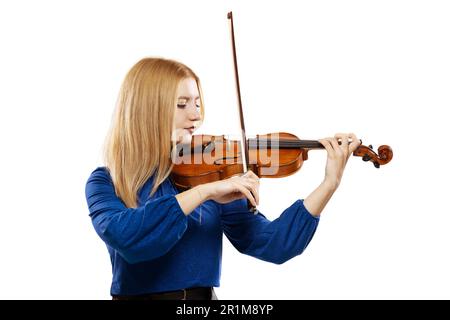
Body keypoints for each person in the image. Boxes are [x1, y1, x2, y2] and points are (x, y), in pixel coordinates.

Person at [85, 57, 360, 300]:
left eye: (197, 102)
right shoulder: (106, 181)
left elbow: (273, 243)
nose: (196, 115)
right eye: (182, 104)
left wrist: (329, 184)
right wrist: (204, 193)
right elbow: (128, 239)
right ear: (147, 109)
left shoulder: (208, 171)